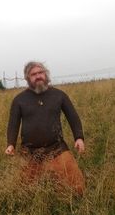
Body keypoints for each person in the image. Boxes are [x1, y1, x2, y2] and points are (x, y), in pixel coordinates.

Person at [5, 61, 86, 196]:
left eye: (40, 72)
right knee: (23, 194)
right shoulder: (19, 100)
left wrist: (79, 138)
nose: (38, 76)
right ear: (27, 78)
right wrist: (10, 144)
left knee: (77, 189)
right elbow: (13, 124)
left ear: (46, 74)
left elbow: (73, 117)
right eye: (33, 74)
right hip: (30, 153)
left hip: (57, 149)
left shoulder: (59, 95)